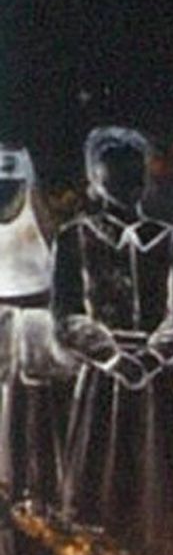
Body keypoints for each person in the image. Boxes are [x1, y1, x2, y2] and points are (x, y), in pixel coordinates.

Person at [52, 125, 173, 551]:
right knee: (101, 477)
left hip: (157, 379)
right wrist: (112, 358)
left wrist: (152, 358)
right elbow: (68, 315)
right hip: (104, 379)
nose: (128, 183)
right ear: (97, 179)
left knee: (158, 480)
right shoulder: (75, 237)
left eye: (135, 173)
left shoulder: (170, 239)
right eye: (116, 174)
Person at [0, 144, 70, 515]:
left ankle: (40, 491)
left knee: (37, 410)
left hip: (36, 322)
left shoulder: (36, 210)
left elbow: (57, 253)